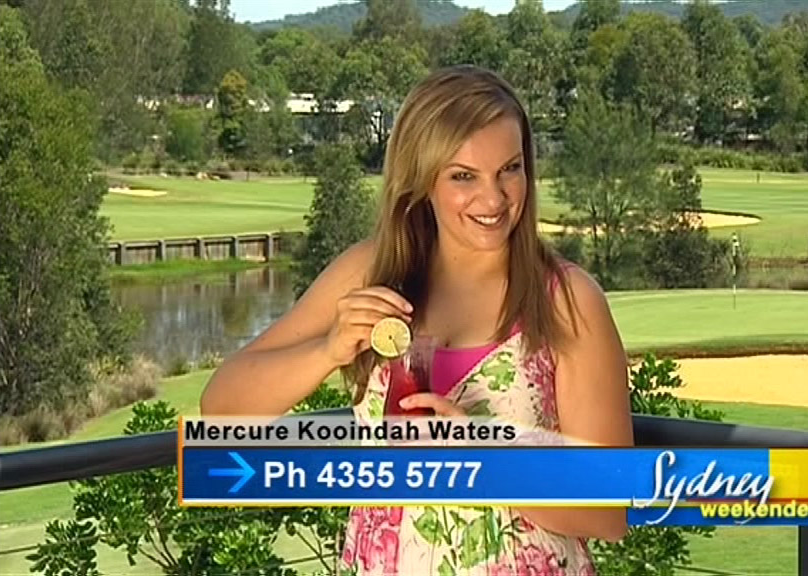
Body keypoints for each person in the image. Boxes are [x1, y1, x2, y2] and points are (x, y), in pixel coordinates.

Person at [201, 65, 634, 575]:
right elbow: (221, 410)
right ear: (422, 178)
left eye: (510, 169)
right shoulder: (368, 273)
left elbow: (609, 510)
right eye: (463, 176)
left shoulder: (566, 300)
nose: (493, 199)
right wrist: (328, 350)